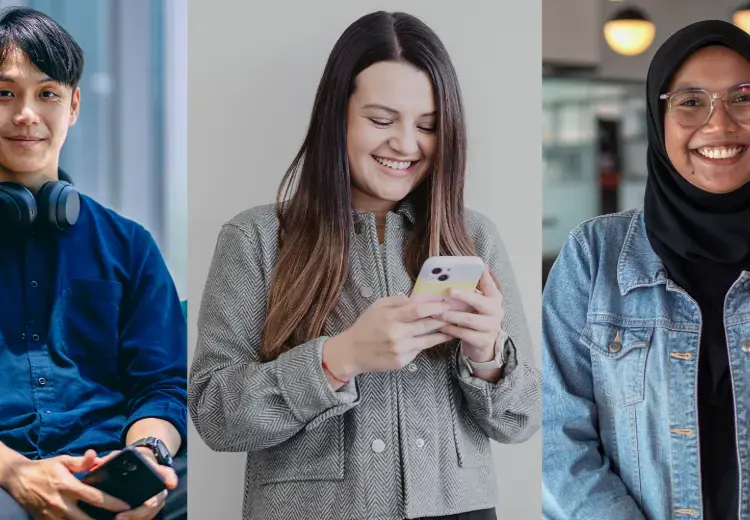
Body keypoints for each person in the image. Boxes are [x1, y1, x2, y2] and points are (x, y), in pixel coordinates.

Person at [189, 10, 540, 520]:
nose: (405, 143)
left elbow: (523, 419)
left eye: (428, 126)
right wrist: (338, 358)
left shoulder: (473, 237)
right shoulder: (257, 238)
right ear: (337, 115)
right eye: (381, 120)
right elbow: (213, 415)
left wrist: (487, 355)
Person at [542, 20, 750, 520]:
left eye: (744, 98)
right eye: (691, 101)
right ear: (660, 119)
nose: (719, 125)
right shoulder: (595, 255)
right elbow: (555, 435)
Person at [0, 7, 187, 520]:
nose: (25, 115)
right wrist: (14, 471)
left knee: (184, 490)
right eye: (5, 93)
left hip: (106, 459)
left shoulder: (130, 246)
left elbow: (162, 386)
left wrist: (148, 456)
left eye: (48, 94)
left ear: (74, 105)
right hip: (4, 472)